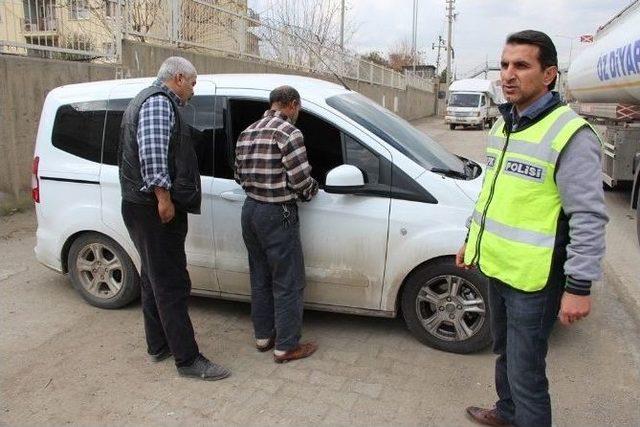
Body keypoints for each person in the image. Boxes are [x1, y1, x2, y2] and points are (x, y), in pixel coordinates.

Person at [457, 31, 608, 427]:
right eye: (505, 64)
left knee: (526, 374)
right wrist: (470, 239)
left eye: (521, 65)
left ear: (549, 75)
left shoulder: (569, 134)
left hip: (535, 281)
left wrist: (578, 287)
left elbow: (588, 217)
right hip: (498, 267)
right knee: (504, 353)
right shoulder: (504, 125)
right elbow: (492, 195)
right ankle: (506, 415)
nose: (508, 74)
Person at [119, 56, 230, 381]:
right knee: (171, 283)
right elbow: (152, 153)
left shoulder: (144, 98)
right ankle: (188, 360)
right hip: (152, 208)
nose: (193, 91)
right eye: (192, 84)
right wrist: (164, 199)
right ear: (179, 77)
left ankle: (159, 344)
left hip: (139, 205)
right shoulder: (158, 103)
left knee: (154, 278)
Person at [235, 85, 319, 364]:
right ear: (292, 104)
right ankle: (286, 346)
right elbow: (300, 180)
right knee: (288, 281)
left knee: (259, 276)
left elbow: (238, 176)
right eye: (300, 108)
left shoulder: (247, 131)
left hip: (250, 211)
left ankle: (263, 337)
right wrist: (312, 191)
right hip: (277, 213)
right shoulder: (289, 133)